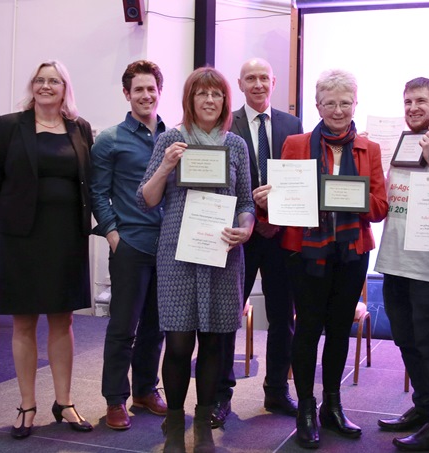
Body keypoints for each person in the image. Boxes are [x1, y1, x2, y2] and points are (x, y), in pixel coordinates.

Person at [252, 69, 388, 449]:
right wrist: (267, 203)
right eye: (331, 103)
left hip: (351, 253)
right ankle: (306, 408)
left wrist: (350, 197)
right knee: (308, 328)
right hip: (303, 252)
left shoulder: (369, 149)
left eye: (346, 102)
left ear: (355, 104)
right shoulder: (295, 144)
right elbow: (282, 205)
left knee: (339, 328)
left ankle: (332, 403)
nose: (339, 110)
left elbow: (379, 207)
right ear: (318, 106)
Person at [137, 66, 255, 453]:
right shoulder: (171, 139)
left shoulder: (235, 144)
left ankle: (202, 422)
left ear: (225, 101)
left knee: (215, 345)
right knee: (178, 343)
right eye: (202, 94)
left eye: (216, 94)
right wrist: (168, 164)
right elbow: (148, 197)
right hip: (177, 255)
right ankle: (174, 422)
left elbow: (245, 200)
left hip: (222, 253)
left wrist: (247, 226)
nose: (209, 100)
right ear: (189, 99)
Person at [0, 60, 94, 438]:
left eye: (54, 81)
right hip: (22, 240)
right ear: (33, 86)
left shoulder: (80, 129)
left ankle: (64, 401)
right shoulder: (9, 126)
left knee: (63, 320)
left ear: (65, 88)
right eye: (40, 80)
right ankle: (26, 404)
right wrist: (8, 227)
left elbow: (88, 182)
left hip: (66, 238)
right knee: (24, 321)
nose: (46, 86)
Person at [211, 57, 303, 428]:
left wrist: (274, 214)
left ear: (274, 81)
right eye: (251, 78)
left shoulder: (292, 124)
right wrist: (252, 215)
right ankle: (220, 396)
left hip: (281, 235)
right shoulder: (225, 123)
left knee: (284, 317)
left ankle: (277, 391)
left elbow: (299, 178)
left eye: (264, 77)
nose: (258, 84)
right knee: (227, 317)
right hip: (238, 236)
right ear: (241, 83)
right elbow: (218, 180)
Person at [374, 77, 429, 451]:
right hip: (393, 258)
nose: (413, 108)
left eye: (421, 101)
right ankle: (422, 407)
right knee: (405, 338)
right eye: (407, 101)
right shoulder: (396, 142)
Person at [90, 60, 168, 431]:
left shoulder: (172, 135)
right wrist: (112, 235)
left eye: (151, 89)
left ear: (159, 92)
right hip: (131, 245)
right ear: (127, 94)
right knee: (124, 326)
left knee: (156, 326)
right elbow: (98, 193)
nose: (145, 95)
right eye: (138, 89)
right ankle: (115, 400)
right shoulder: (110, 139)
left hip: (166, 246)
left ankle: (145, 390)